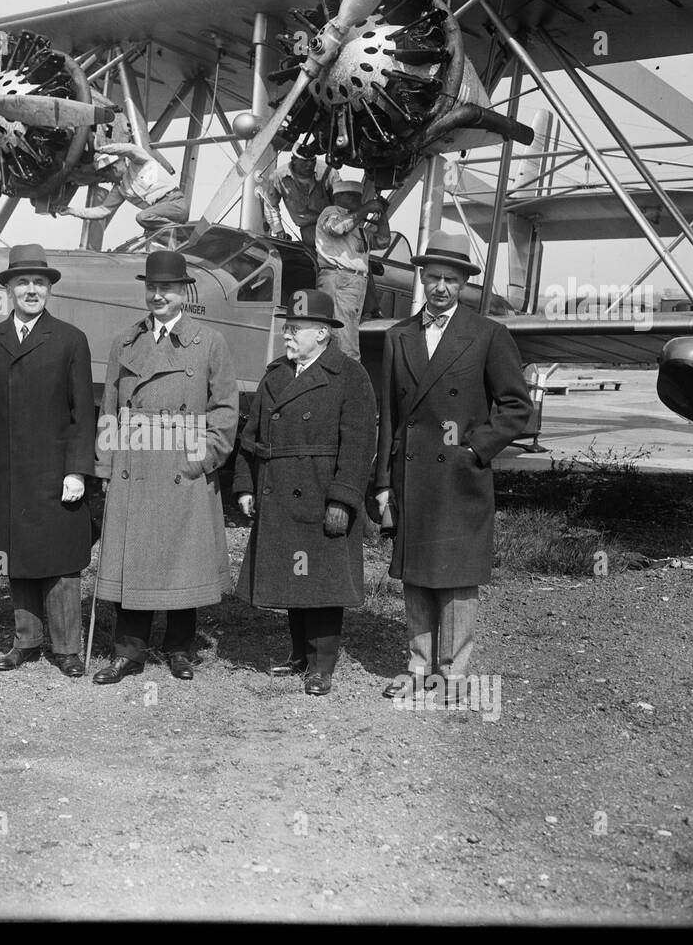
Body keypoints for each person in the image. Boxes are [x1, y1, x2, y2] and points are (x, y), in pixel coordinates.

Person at [373, 231, 532, 704]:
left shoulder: (488, 335)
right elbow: (391, 417)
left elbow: (516, 407)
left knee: (458, 577)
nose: (441, 287)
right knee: (418, 575)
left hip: (460, 478)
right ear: (421, 278)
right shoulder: (399, 336)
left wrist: (475, 450)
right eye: (434, 277)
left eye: (451, 280)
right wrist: (383, 481)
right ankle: (420, 668)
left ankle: (455, 675)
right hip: (412, 475)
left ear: (464, 284)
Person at [92, 249, 238, 684]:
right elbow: (110, 408)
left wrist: (201, 459)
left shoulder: (208, 342)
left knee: (181, 560)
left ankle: (179, 649)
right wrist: (105, 467)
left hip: (181, 466)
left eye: (167, 288)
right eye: (152, 288)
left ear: (183, 292)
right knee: (129, 563)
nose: (158, 295)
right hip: (133, 466)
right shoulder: (124, 341)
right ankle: (127, 653)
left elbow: (226, 410)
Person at [233, 289, 375, 695]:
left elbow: (359, 444)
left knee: (322, 583)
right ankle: (299, 655)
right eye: (287, 329)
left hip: (321, 493)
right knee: (293, 577)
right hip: (278, 491)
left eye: (295, 329)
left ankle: (322, 666)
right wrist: (245, 485)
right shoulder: (276, 373)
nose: (287, 336)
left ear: (323, 334)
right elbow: (251, 436)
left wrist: (343, 499)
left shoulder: (350, 376)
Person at [0, 244, 96, 677]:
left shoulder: (71, 339)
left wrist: (78, 470)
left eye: (39, 283)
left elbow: (84, 413)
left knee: (61, 560)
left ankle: (66, 648)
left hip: (57, 473)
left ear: (49, 290)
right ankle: (25, 640)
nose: (31, 290)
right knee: (15, 555)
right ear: (8, 289)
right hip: (8, 473)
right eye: (22, 282)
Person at [315, 179, 388, 360]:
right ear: (340, 197)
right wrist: (366, 209)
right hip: (340, 280)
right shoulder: (331, 213)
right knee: (344, 341)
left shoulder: (357, 226)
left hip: (352, 284)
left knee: (346, 336)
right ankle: (346, 380)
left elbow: (383, 240)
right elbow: (337, 227)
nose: (358, 200)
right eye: (353, 196)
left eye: (359, 197)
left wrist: (382, 213)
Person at [60, 141, 187, 234]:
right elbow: (102, 211)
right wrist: (71, 211)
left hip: (175, 203)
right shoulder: (120, 189)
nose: (106, 178)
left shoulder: (139, 162)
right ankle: (179, 236)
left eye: (106, 172)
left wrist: (103, 149)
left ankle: (184, 233)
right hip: (157, 215)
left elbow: (131, 149)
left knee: (143, 217)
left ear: (115, 166)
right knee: (151, 239)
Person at [257, 152, 333, 247]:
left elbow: (343, 199)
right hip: (309, 227)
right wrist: (279, 230)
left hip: (333, 220)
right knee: (314, 241)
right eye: (304, 162)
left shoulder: (328, 171)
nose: (309, 165)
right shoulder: (278, 177)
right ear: (294, 160)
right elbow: (270, 205)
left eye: (312, 161)